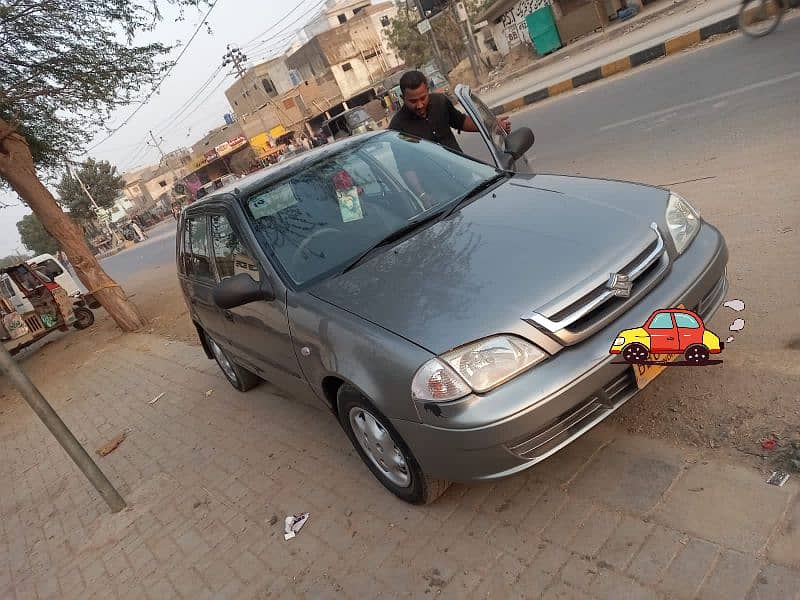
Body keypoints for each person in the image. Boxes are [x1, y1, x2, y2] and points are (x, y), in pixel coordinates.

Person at [388, 70, 510, 154]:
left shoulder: (440, 102)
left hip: (462, 168)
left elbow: (461, 122)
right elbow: (407, 168)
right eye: (413, 101)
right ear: (402, 97)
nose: (419, 105)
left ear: (428, 90)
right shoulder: (397, 127)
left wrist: (492, 125)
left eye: (423, 98)